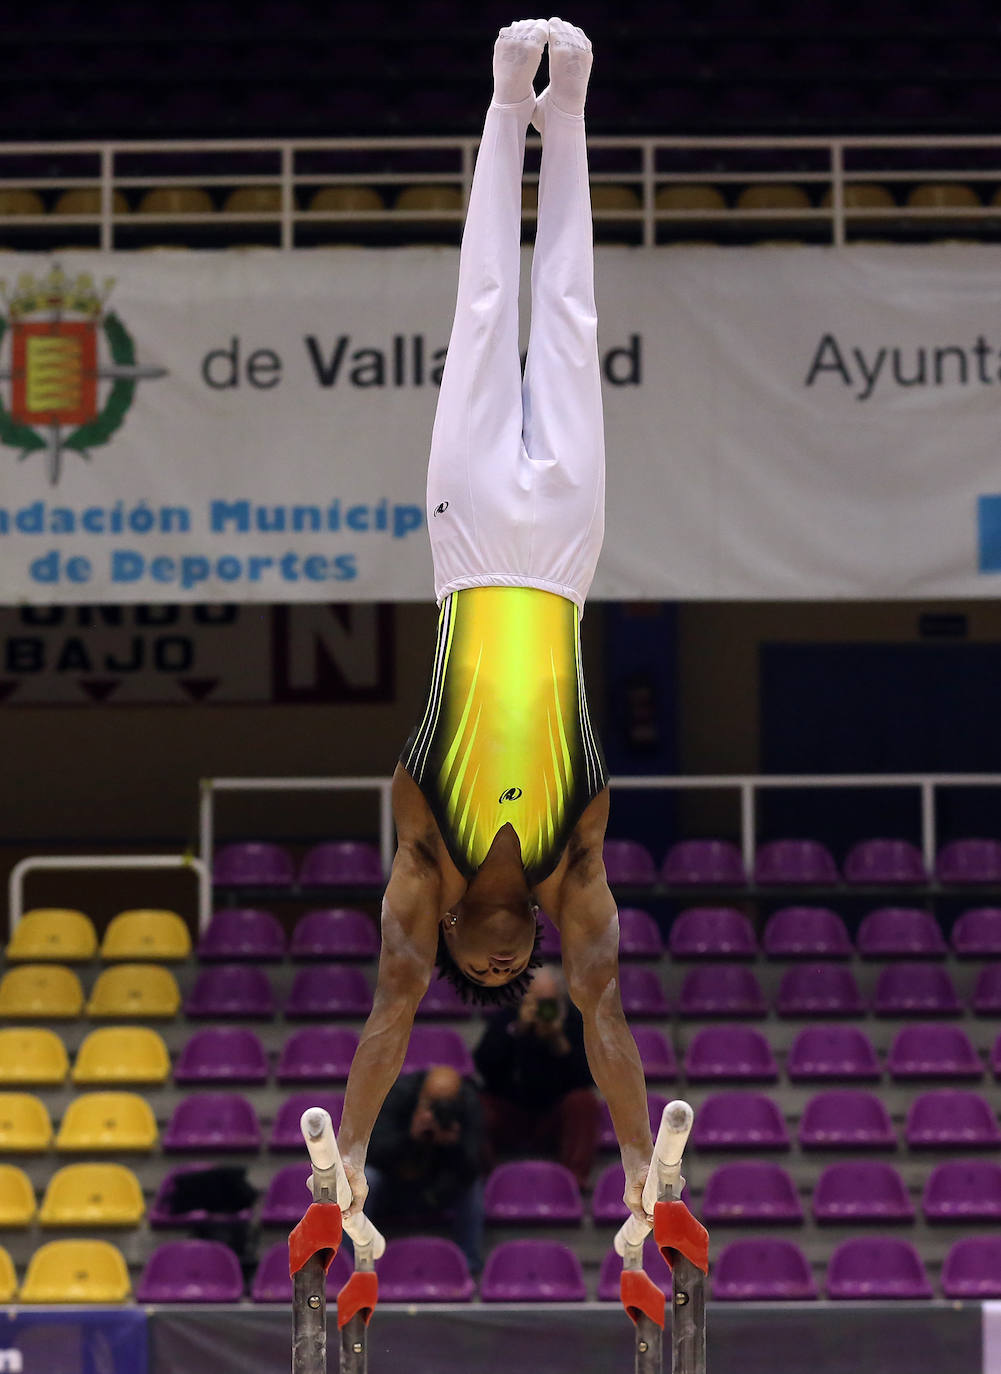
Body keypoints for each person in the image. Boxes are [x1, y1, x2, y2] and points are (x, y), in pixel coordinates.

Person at [338, 17, 654, 1236]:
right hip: (563, 560)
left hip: (468, 552)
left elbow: (390, 1006)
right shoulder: (577, 864)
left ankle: (501, 101)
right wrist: (640, 1164)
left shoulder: (425, 854)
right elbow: (604, 1010)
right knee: (567, 322)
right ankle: (565, 107)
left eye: (475, 972)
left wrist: (349, 1151)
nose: (495, 969)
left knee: (480, 316)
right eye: (505, 972)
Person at [474, 965, 600, 1190]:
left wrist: (560, 1043)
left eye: (548, 1002)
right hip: (511, 1112)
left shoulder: (574, 1020)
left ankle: (574, 1180)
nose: (543, 1009)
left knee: (584, 1102)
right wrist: (517, 1031)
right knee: (476, 1104)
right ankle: (488, 1180)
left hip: (553, 1117)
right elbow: (484, 1066)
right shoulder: (507, 1018)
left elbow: (589, 1078)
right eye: (536, 1001)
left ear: (560, 999)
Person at [364, 1065, 485, 1273]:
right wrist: (410, 1137)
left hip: (440, 1187)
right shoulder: (398, 1095)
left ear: (458, 1099)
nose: (439, 1110)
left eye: (447, 1103)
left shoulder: (469, 1104)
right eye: (433, 1103)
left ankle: (469, 1267)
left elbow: (474, 1166)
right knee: (366, 1179)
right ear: (421, 1094)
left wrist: (453, 1145)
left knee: (473, 1187)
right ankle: (352, 1266)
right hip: (394, 1185)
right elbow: (372, 1153)